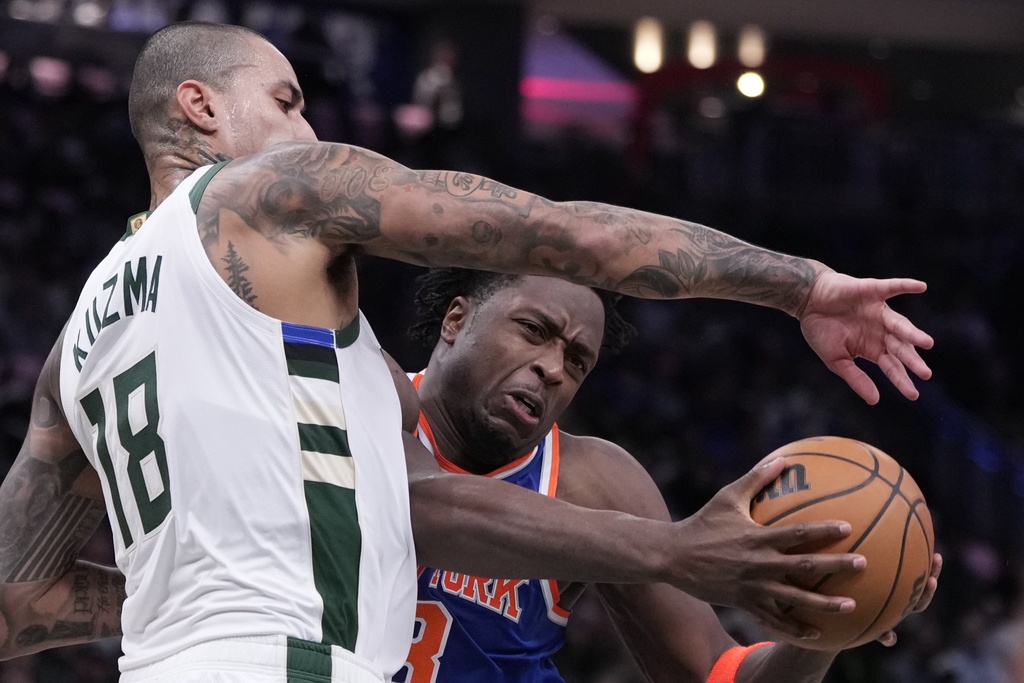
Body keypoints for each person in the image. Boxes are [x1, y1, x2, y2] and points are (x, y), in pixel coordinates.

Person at [0, 20, 934, 683]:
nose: (309, 132)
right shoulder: (266, 191)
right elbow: (579, 240)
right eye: (287, 102)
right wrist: (802, 285)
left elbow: (16, 602)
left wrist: (200, 594)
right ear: (199, 106)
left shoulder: (79, 341)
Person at [393, 268, 942, 683]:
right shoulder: (364, 399)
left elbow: (717, 673)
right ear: (456, 319)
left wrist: (831, 616)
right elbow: (427, 505)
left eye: (578, 361)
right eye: (534, 330)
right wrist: (678, 548)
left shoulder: (593, 481)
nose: (554, 369)